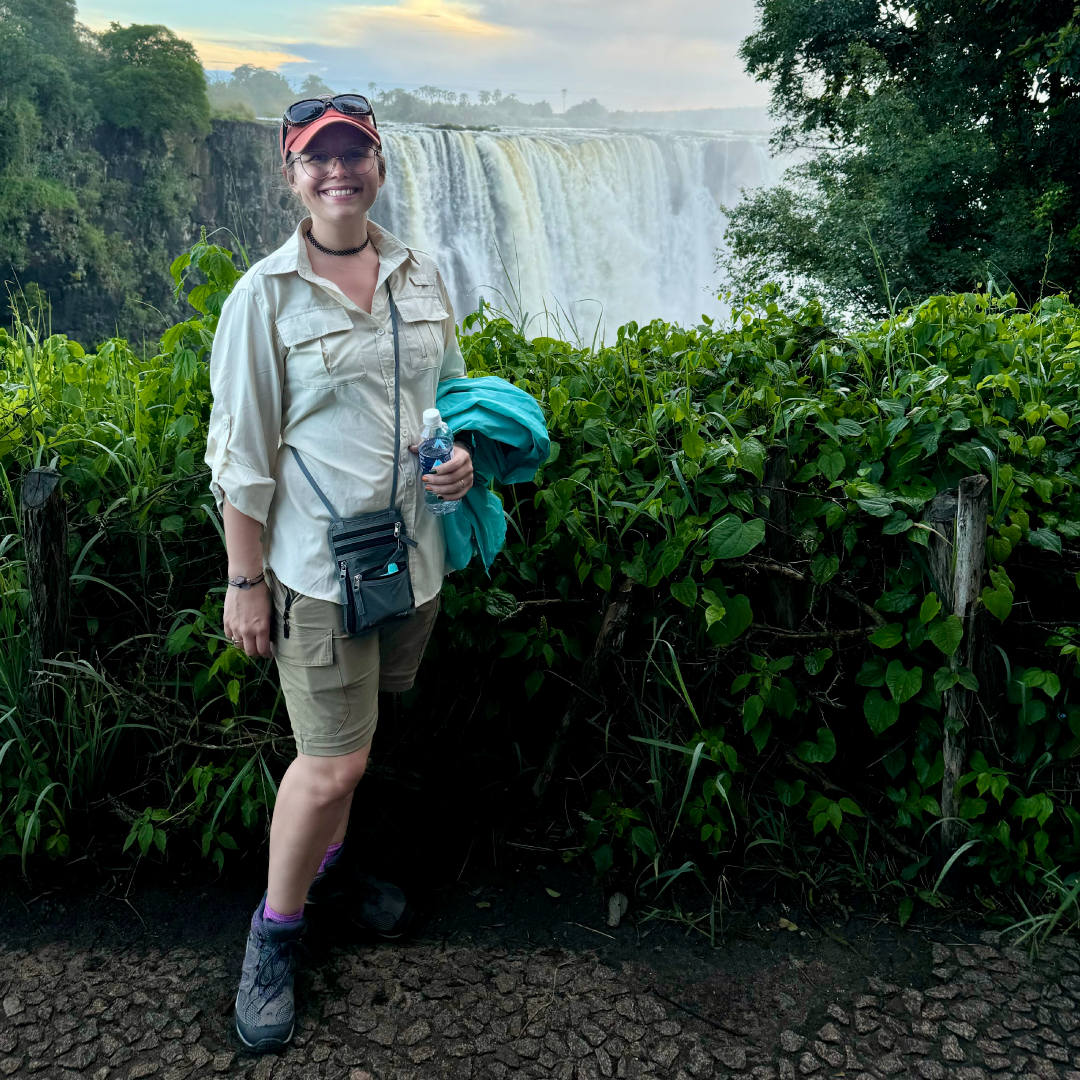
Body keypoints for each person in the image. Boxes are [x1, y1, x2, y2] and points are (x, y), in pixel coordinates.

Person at [203, 93, 475, 1052]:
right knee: (332, 761)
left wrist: (457, 461)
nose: (338, 172)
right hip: (319, 569)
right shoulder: (264, 297)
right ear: (291, 174)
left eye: (354, 154)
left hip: (411, 559)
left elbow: (437, 398)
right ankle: (273, 940)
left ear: (378, 166)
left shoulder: (419, 272)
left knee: (357, 741)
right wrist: (245, 584)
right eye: (318, 159)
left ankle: (334, 875)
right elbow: (240, 454)